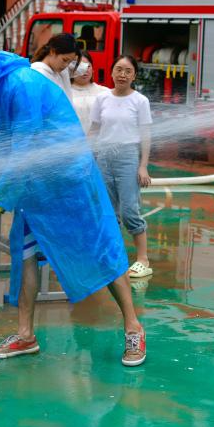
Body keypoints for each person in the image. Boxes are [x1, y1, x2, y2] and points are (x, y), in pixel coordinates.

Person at [0, 27, 146, 366]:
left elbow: (26, 145)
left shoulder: (23, 84)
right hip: (33, 186)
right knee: (26, 255)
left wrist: (1, 195)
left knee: (101, 250)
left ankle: (133, 327)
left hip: (70, 181)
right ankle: (25, 335)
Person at [89, 55, 154, 282]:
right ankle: (113, 258)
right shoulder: (102, 99)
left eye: (128, 71)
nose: (122, 75)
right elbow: (94, 130)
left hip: (128, 158)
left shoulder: (140, 101)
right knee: (107, 212)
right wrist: (87, 157)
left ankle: (143, 259)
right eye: (119, 69)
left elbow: (145, 135)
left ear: (134, 75)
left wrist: (143, 166)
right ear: (111, 72)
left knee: (129, 211)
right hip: (103, 157)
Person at [30, 32, 78, 102]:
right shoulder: (38, 74)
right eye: (64, 60)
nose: (66, 65)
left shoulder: (60, 71)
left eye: (69, 62)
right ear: (52, 51)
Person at [70, 56, 109, 132]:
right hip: (73, 138)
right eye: (80, 66)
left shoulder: (104, 92)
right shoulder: (64, 92)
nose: (85, 70)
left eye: (88, 66)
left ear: (93, 69)